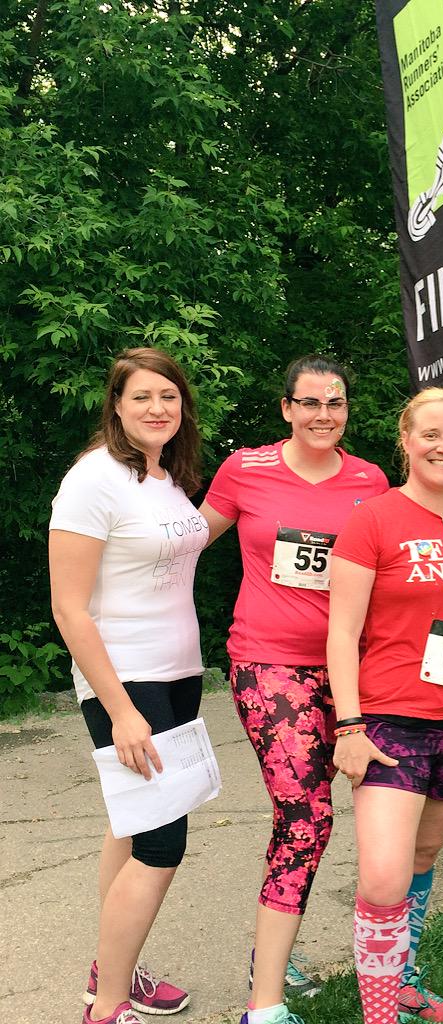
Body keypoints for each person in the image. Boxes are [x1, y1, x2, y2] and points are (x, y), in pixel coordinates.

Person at [198, 355, 389, 1024]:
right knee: (305, 818)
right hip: (268, 664)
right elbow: (187, 544)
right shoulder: (244, 470)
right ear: (285, 408)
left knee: (357, 823)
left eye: (334, 403)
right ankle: (266, 1004)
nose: (322, 415)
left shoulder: (370, 480)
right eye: (308, 403)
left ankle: (284, 958)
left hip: (354, 673)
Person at [327, 385, 443, 1024]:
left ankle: (403, 980)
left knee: (424, 860)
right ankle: (379, 1014)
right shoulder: (371, 519)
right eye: (431, 434)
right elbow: (341, 632)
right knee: (383, 877)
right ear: (405, 441)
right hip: (388, 722)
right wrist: (348, 724)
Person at [50, 348, 209, 1024]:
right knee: (160, 844)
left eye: (168, 397)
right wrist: (119, 711)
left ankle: (113, 971)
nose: (157, 409)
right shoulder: (93, 481)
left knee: (132, 824)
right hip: (127, 682)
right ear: (115, 405)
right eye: (142, 397)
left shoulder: (165, 476)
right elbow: (68, 606)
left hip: (178, 675)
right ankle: (107, 1007)